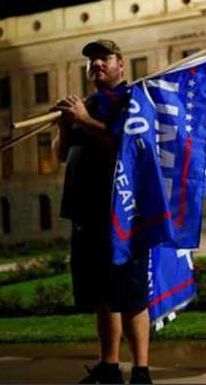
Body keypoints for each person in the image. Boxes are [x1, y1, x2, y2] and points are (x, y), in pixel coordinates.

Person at [52, 40, 152, 384]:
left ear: (120, 65)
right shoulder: (89, 103)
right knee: (101, 297)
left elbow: (127, 145)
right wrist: (66, 126)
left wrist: (83, 118)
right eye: (91, 61)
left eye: (104, 59)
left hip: (121, 213)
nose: (96, 65)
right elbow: (62, 154)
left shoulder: (133, 100)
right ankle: (109, 367)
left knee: (131, 295)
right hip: (85, 215)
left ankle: (141, 371)